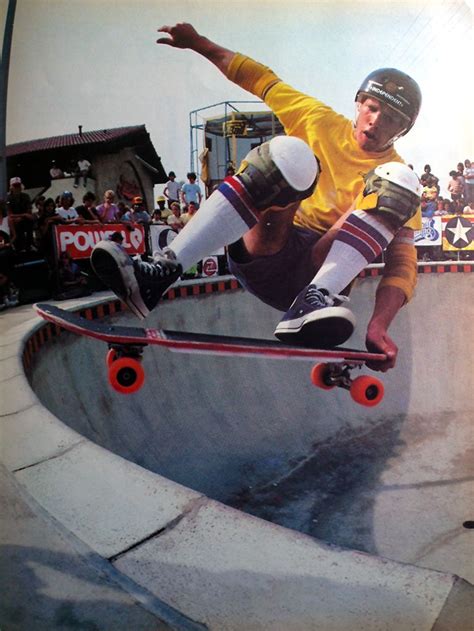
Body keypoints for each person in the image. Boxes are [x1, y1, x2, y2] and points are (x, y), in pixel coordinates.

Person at [91, 22, 423, 372]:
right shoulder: (319, 119)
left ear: (402, 130)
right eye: (371, 108)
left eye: (390, 119)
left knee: (398, 182)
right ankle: (160, 272)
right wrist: (199, 43)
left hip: (316, 273)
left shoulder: (394, 168)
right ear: (357, 103)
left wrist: (379, 325)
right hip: (267, 247)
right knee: (289, 152)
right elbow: (263, 81)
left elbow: (402, 260)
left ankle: (311, 303)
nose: (375, 122)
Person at [6, 177, 35, 252]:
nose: (17, 188)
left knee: (31, 220)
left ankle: (29, 244)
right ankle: (19, 246)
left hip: (23, 219)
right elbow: (10, 214)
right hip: (13, 220)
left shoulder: (26, 196)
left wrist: (22, 216)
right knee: (15, 223)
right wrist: (24, 215)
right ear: (11, 187)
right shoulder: (8, 198)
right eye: (15, 186)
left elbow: (29, 212)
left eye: (18, 186)